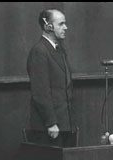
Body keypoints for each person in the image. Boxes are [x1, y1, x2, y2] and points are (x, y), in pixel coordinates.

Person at [27, 9, 76, 140]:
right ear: (47, 26)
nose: (65, 27)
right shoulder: (39, 51)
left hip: (64, 124)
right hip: (50, 128)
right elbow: (40, 91)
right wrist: (51, 123)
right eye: (61, 24)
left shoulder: (59, 50)